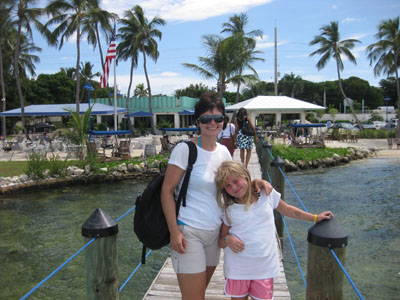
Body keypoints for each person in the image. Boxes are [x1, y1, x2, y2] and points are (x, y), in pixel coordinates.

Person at [161, 93, 273, 300]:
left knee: (198, 292)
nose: (212, 123)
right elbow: (167, 191)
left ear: (224, 120)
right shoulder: (185, 150)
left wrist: (257, 182)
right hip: (189, 231)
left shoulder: (223, 152)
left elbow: (235, 184)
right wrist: (174, 231)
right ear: (197, 122)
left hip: (214, 234)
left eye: (218, 118)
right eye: (206, 119)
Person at [215, 160, 334, 300]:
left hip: (264, 269)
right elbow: (221, 241)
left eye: (236, 181)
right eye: (228, 186)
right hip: (238, 270)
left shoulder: (267, 194)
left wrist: (314, 218)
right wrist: (227, 239)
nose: (234, 187)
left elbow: (287, 209)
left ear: (246, 175)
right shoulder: (228, 209)